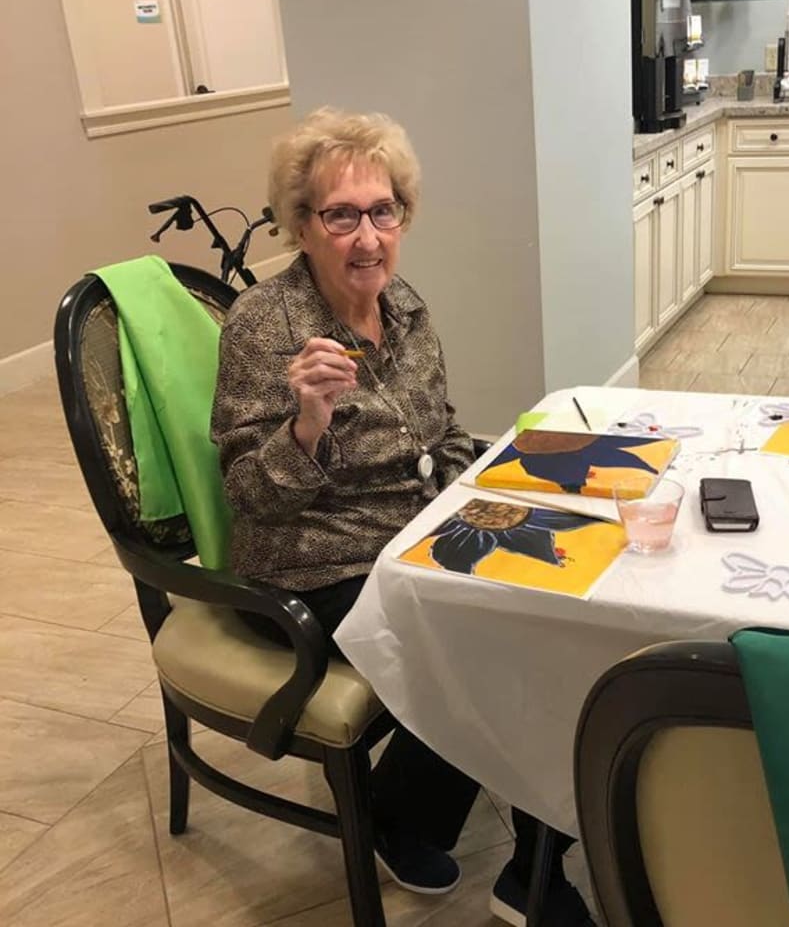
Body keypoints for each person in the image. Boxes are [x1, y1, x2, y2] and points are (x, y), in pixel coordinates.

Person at [211, 107, 594, 927]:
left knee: (562, 594)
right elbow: (249, 494)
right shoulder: (263, 327)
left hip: (415, 537)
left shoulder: (406, 308)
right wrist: (304, 423)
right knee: (494, 639)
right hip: (313, 562)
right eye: (340, 214)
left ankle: (416, 815)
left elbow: (442, 429)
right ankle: (528, 870)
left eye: (382, 212)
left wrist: (482, 490)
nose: (366, 236)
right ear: (301, 224)